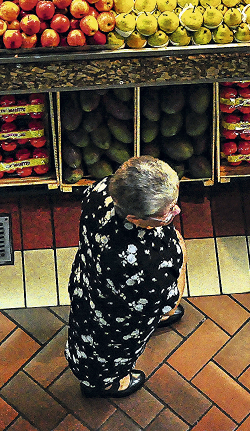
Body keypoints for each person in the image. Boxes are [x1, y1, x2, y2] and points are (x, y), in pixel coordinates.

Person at [65, 156, 186, 398]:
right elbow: (168, 301)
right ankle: (104, 383)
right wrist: (181, 255)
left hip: (91, 277)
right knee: (110, 348)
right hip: (119, 314)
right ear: (134, 219)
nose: (177, 211)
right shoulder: (144, 266)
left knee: (88, 322)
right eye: (167, 212)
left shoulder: (101, 191)